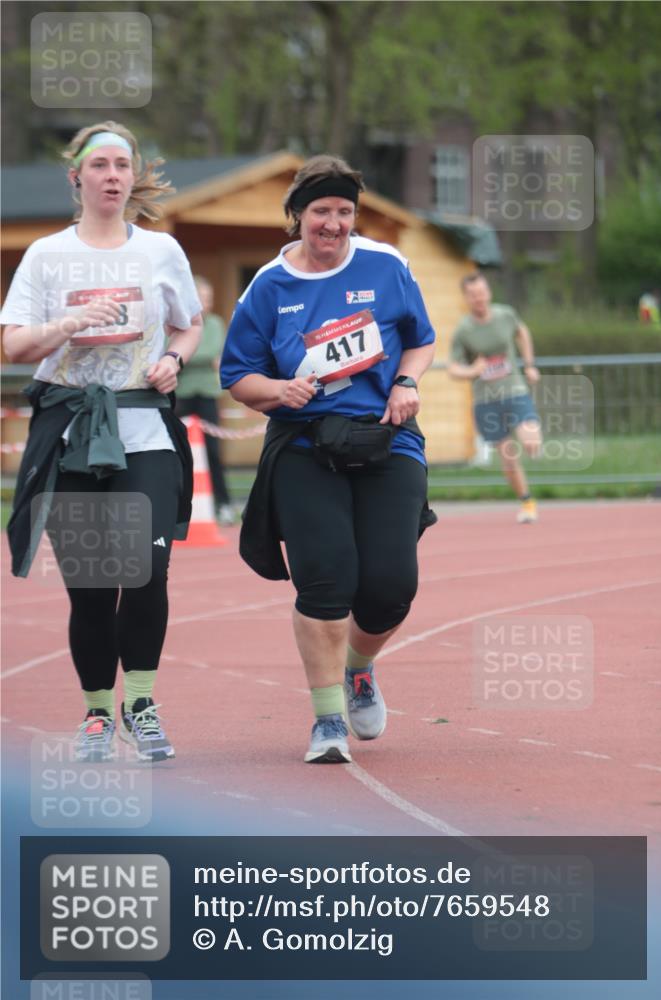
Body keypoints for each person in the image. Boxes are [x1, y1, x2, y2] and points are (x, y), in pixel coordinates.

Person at [220, 154, 437, 765]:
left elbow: (419, 338)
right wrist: (276, 391)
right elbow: (237, 375)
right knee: (326, 581)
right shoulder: (269, 286)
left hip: (386, 437)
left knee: (391, 587)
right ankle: (326, 722)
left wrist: (407, 384)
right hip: (305, 445)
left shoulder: (387, 264)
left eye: (345, 211)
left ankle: (359, 669)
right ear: (297, 217)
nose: (334, 224)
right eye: (321, 212)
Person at [1, 121, 202, 762]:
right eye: (99, 166)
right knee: (92, 587)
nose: (112, 175)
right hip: (72, 434)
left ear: (131, 176)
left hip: (143, 430)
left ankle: (140, 702)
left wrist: (174, 357)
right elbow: (13, 345)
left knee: (147, 570)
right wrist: (66, 323)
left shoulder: (161, 252)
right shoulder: (46, 255)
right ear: (77, 178)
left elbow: (188, 325)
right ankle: (95, 714)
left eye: (122, 164)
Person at [448, 273, 542, 523]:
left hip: (514, 390)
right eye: (473, 295)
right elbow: (453, 368)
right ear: (466, 298)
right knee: (509, 455)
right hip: (486, 401)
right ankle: (527, 502)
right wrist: (472, 371)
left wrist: (530, 364)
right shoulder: (464, 330)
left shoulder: (505, 315)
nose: (478, 298)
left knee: (531, 441)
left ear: (488, 292)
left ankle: (533, 444)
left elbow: (522, 332)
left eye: (482, 292)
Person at [175, 276, 235, 524]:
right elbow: (182, 354)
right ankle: (179, 507)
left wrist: (186, 357)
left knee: (213, 451)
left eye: (209, 298)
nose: (207, 302)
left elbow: (212, 351)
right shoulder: (177, 324)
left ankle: (223, 504)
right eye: (202, 297)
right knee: (178, 453)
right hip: (182, 394)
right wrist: (190, 358)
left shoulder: (215, 324)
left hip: (208, 394)